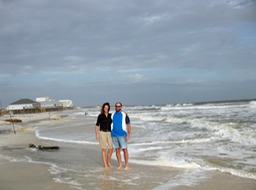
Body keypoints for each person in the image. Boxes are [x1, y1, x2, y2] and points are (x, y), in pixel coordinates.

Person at [111, 102, 131, 170]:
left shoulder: (124, 115)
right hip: (114, 135)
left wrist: (128, 134)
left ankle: (127, 165)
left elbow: (128, 124)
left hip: (122, 135)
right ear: (115, 107)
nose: (117, 107)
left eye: (119, 106)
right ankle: (120, 165)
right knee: (117, 150)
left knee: (125, 150)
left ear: (121, 107)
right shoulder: (112, 115)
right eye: (116, 106)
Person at [95, 102, 113, 168]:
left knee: (111, 148)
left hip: (110, 133)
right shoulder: (100, 116)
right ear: (103, 108)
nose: (106, 108)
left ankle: (108, 162)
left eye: (107, 107)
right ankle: (105, 164)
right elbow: (97, 125)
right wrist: (97, 134)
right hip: (102, 133)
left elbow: (117, 118)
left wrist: (125, 114)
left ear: (109, 108)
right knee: (103, 149)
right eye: (105, 107)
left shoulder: (111, 115)